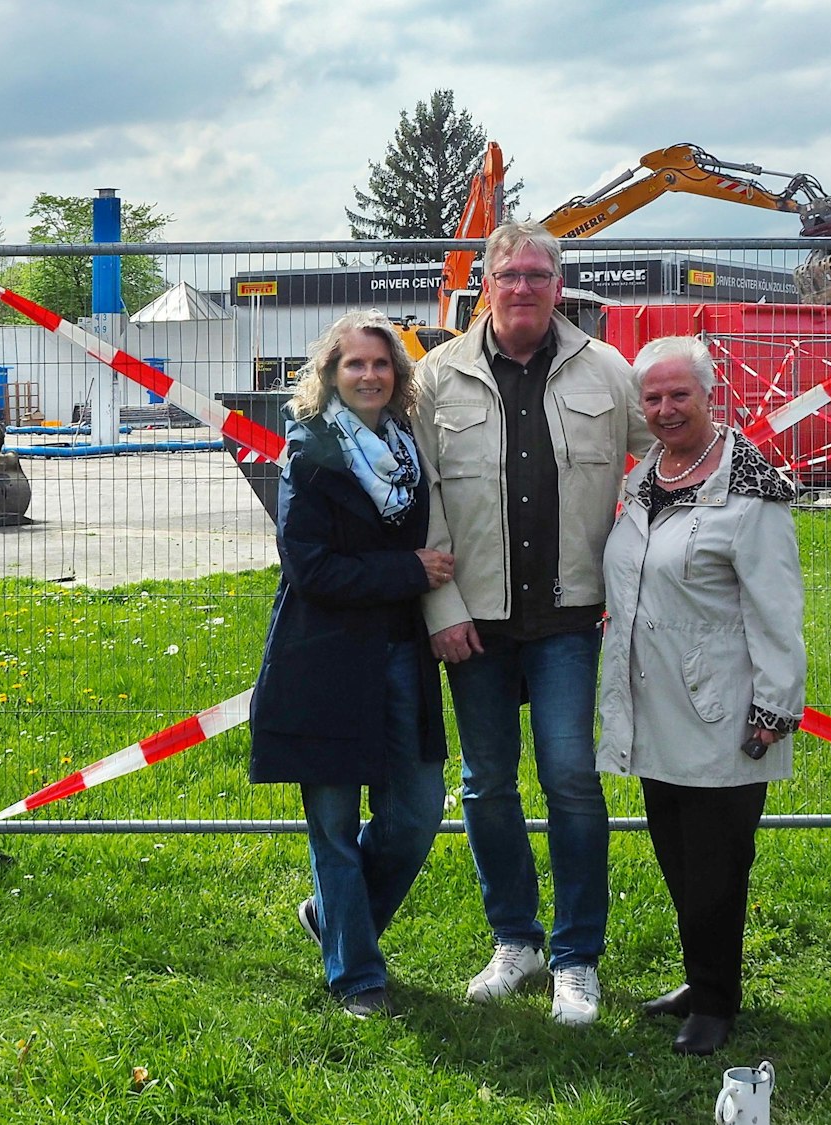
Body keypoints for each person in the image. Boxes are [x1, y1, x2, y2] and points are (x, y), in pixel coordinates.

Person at [411, 220, 654, 1025]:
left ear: (560, 283)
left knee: (570, 780)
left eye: (537, 275)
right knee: (486, 784)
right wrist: (441, 608)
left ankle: (577, 955)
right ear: (485, 282)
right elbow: (423, 506)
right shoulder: (435, 378)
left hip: (567, 620)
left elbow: (667, 454)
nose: (523, 287)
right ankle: (516, 940)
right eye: (508, 274)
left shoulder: (609, 371)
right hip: (473, 624)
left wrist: (648, 555)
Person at [597, 335, 805, 1056]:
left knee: (717, 866)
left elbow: (777, 610)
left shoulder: (750, 491)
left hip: (724, 711)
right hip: (653, 709)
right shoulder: (645, 478)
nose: (664, 408)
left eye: (678, 394)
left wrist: (775, 707)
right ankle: (701, 974)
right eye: (651, 397)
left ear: (710, 396)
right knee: (679, 858)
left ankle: (716, 1000)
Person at [249, 310, 459, 1019]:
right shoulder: (309, 451)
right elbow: (310, 569)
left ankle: (335, 916)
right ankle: (357, 974)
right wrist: (407, 570)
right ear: (330, 375)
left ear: (398, 375)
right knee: (333, 824)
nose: (369, 375)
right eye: (355, 364)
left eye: (382, 364)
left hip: (400, 654)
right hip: (324, 663)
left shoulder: (406, 448)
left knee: (419, 809)